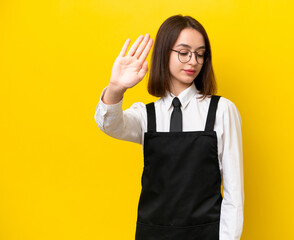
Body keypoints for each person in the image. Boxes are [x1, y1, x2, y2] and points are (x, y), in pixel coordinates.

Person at [94, 14, 244, 240]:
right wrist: (116, 88)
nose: (193, 61)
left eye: (200, 54)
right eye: (184, 53)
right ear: (164, 54)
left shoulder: (222, 110)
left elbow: (234, 194)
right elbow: (109, 124)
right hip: (152, 233)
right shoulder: (146, 115)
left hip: (205, 234)